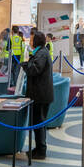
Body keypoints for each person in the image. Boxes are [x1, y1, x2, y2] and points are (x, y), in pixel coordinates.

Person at [22, 30, 54, 159]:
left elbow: (34, 69)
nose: (30, 42)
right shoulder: (41, 52)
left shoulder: (41, 53)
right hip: (40, 94)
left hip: (40, 95)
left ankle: (41, 151)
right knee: (38, 123)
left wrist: (25, 64)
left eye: (31, 40)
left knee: (39, 123)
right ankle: (39, 148)